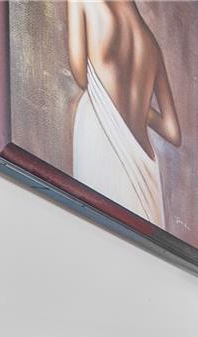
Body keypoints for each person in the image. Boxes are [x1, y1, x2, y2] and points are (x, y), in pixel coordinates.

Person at [67, 0, 180, 225]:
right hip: (145, 169)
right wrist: (139, 107)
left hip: (102, 135)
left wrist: (116, 99)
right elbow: (172, 131)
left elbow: (80, 76)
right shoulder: (150, 42)